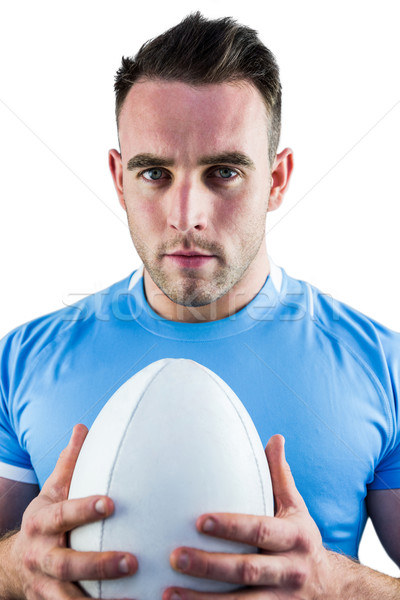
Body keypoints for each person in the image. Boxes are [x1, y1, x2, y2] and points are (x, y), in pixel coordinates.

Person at [0, 10, 399, 599]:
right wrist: (12, 569)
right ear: (118, 179)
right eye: (155, 173)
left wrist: (333, 585)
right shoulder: (22, 361)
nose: (186, 214)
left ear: (278, 179)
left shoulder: (382, 366)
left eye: (224, 172)